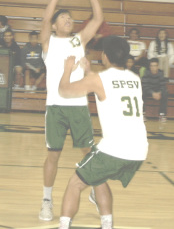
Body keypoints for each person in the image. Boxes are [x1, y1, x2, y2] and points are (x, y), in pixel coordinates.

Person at [58, 35, 148, 229]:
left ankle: (63, 225)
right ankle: (107, 225)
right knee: (97, 177)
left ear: (105, 56)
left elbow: (64, 90)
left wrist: (67, 70)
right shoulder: (135, 78)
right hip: (139, 150)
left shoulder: (101, 80)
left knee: (75, 183)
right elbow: (107, 84)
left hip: (115, 150)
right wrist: (89, 70)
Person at [39, 0, 103, 221]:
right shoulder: (48, 42)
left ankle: (96, 192)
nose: (68, 19)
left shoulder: (79, 40)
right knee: (53, 155)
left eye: (69, 17)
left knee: (89, 153)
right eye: (62, 17)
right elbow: (45, 19)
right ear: (55, 26)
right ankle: (46, 200)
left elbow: (98, 19)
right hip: (55, 106)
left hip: (78, 106)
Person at [142, 57, 168, 122]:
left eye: (155, 66)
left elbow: (163, 86)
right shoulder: (146, 73)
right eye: (151, 66)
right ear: (149, 66)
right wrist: (152, 93)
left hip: (158, 91)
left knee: (165, 92)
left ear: (158, 66)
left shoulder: (161, 73)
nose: (153, 68)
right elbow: (145, 86)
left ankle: (162, 114)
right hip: (148, 90)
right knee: (141, 92)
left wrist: (159, 93)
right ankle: (142, 113)